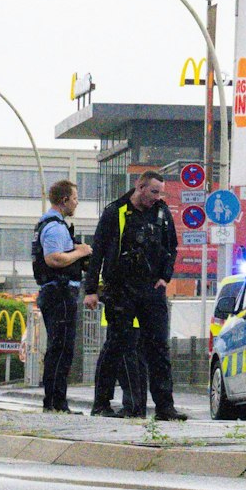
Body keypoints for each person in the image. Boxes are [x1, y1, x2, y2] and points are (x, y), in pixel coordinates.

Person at [84, 170, 186, 421]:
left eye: (160, 192)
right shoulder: (115, 212)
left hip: (152, 290)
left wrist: (165, 277)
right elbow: (97, 252)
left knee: (159, 347)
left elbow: (171, 246)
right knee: (118, 344)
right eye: (154, 191)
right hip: (120, 289)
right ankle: (103, 402)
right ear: (139, 187)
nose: (157, 197)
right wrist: (91, 290)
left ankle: (165, 407)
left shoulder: (162, 213)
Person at [32, 180, 92, 413]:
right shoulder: (56, 227)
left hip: (55, 291)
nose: (77, 202)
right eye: (75, 198)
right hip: (60, 291)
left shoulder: (48, 224)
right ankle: (56, 402)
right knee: (62, 347)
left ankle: (54, 401)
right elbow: (54, 258)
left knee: (59, 347)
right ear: (64, 200)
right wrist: (81, 251)